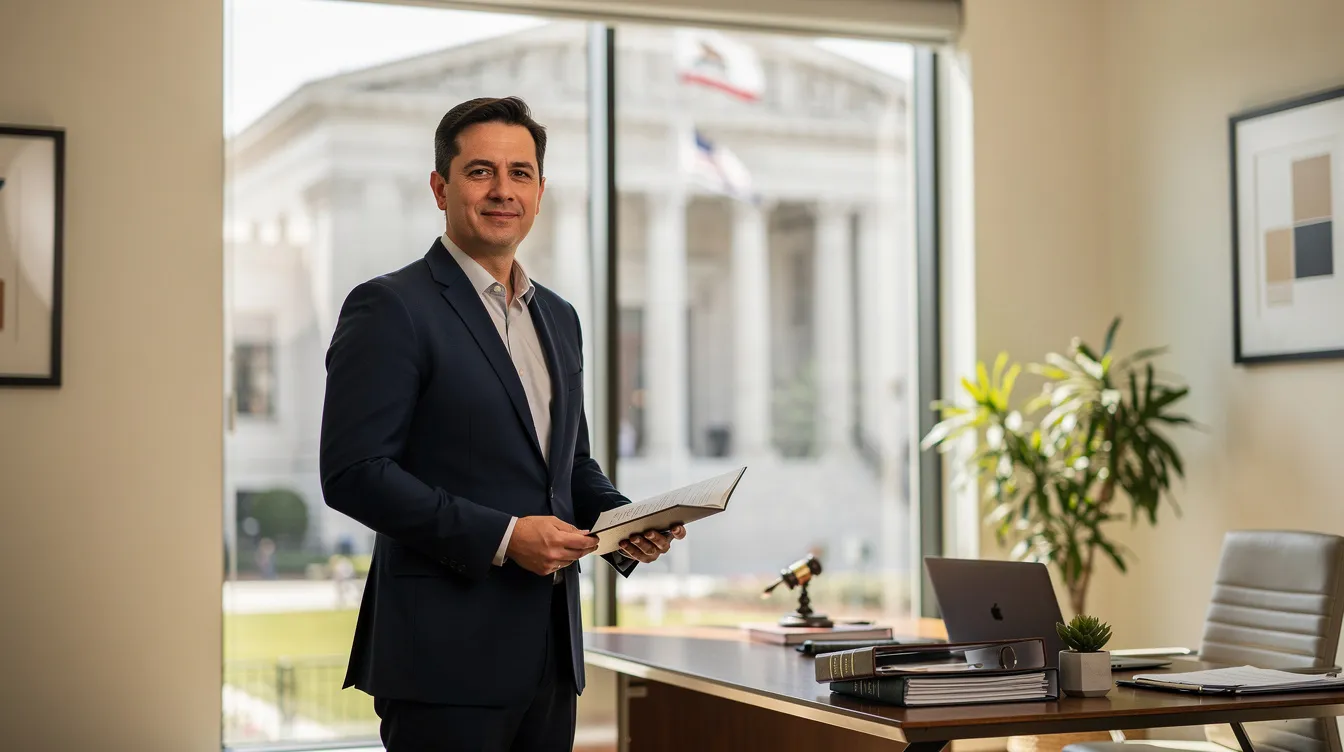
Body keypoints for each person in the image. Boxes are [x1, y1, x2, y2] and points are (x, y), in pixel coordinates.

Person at [319, 96, 686, 752]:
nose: (502, 190)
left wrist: (625, 522)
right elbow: (354, 474)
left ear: (541, 192)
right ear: (441, 187)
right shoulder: (389, 307)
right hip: (442, 664)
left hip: (549, 659)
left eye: (520, 173)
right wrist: (504, 536)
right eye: (480, 171)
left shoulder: (560, 318)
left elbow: (567, 466)